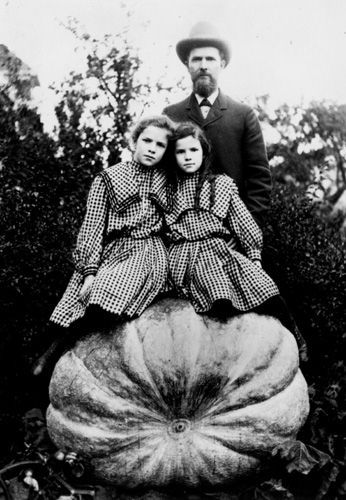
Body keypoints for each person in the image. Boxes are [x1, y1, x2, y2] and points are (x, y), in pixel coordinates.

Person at [33, 115, 175, 375]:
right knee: (81, 297)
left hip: (147, 253)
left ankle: (72, 360)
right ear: (134, 142)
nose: (152, 148)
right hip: (111, 252)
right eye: (147, 140)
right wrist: (89, 272)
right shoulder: (108, 178)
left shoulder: (169, 182)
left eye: (160, 145)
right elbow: (92, 227)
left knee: (101, 295)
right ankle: (52, 358)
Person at [165, 122, 308, 361]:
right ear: (173, 156)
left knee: (266, 289)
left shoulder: (221, 185)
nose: (188, 157)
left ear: (204, 152)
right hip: (184, 254)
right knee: (220, 298)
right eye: (181, 152)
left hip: (219, 250)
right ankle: (221, 356)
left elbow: (243, 223)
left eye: (193, 150)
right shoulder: (167, 188)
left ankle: (296, 340)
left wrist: (253, 257)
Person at [163, 22, 271, 228]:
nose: (203, 65)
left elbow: (259, 181)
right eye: (197, 59)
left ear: (221, 64)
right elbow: (162, 176)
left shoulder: (243, 115)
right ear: (188, 64)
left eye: (210, 59)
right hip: (181, 232)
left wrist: (243, 231)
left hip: (232, 230)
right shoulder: (171, 115)